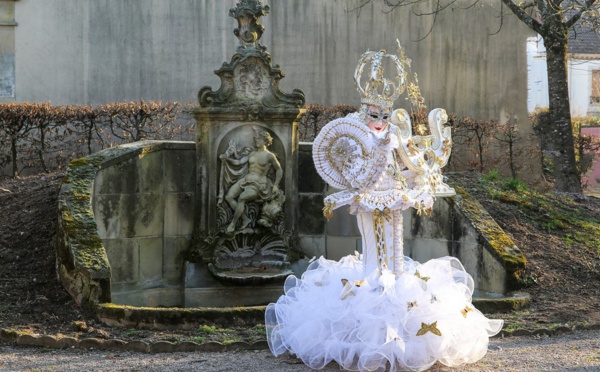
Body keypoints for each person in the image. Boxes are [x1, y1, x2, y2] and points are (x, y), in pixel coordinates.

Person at [265, 45, 502, 371]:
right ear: (364, 113)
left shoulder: (395, 137)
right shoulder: (354, 138)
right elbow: (354, 175)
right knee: (373, 261)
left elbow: (411, 168)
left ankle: (394, 287)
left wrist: (419, 176)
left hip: (394, 199)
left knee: (395, 253)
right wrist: (368, 167)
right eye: (374, 115)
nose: (380, 121)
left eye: (385, 115)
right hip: (367, 199)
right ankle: (375, 287)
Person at [220, 128, 283, 233]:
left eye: (259, 139)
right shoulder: (252, 153)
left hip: (259, 184)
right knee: (229, 197)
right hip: (246, 180)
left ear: (265, 140)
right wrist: (226, 158)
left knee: (241, 198)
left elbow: (279, 169)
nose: (256, 140)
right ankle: (245, 219)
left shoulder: (269, 155)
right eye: (256, 139)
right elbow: (239, 162)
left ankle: (233, 224)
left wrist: (276, 184)